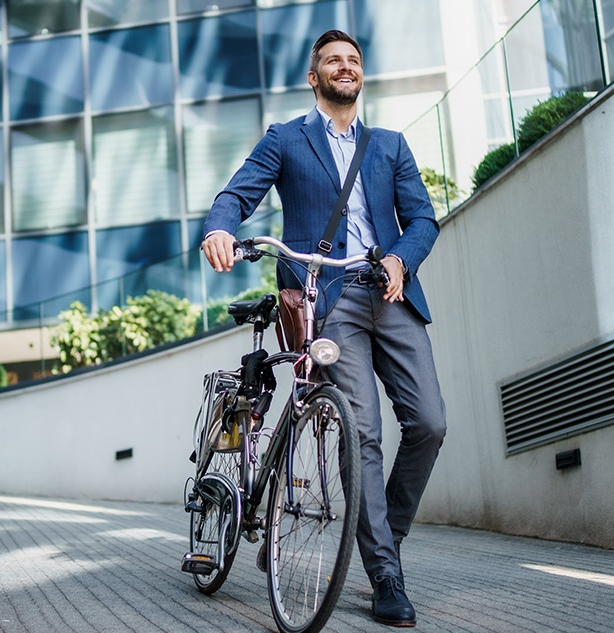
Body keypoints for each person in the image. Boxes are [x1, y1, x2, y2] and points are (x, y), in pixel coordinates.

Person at [201, 29, 447, 628]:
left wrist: (400, 257)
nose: (345, 67)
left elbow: (422, 219)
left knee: (431, 424)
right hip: (328, 299)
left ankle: (372, 538)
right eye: (333, 60)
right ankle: (385, 571)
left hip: (390, 293)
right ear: (315, 78)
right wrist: (220, 228)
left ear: (361, 76)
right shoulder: (287, 138)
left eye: (353, 60)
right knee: (361, 431)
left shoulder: (390, 144)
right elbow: (237, 195)